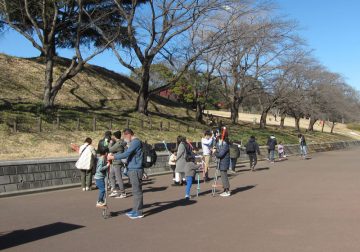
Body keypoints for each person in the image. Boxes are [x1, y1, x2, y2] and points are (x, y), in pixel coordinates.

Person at [108, 129, 144, 219]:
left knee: (137, 191)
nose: (124, 138)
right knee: (135, 191)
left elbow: (126, 154)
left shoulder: (136, 142)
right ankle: (135, 209)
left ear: (129, 134)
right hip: (132, 168)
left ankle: (139, 212)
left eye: (124, 136)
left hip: (136, 169)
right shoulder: (133, 143)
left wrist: (114, 156)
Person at [108, 130, 127, 198]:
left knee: (118, 178)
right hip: (114, 161)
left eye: (113, 136)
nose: (112, 137)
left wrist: (110, 143)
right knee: (111, 176)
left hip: (117, 162)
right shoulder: (120, 142)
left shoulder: (118, 143)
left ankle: (123, 192)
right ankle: (114, 190)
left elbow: (110, 149)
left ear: (115, 136)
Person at [213, 128, 231, 197]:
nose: (219, 140)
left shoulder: (225, 144)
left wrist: (215, 153)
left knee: (224, 177)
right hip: (221, 162)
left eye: (219, 139)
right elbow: (218, 149)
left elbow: (220, 154)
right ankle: (225, 189)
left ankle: (227, 190)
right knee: (223, 176)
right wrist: (215, 149)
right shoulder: (221, 144)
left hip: (224, 162)